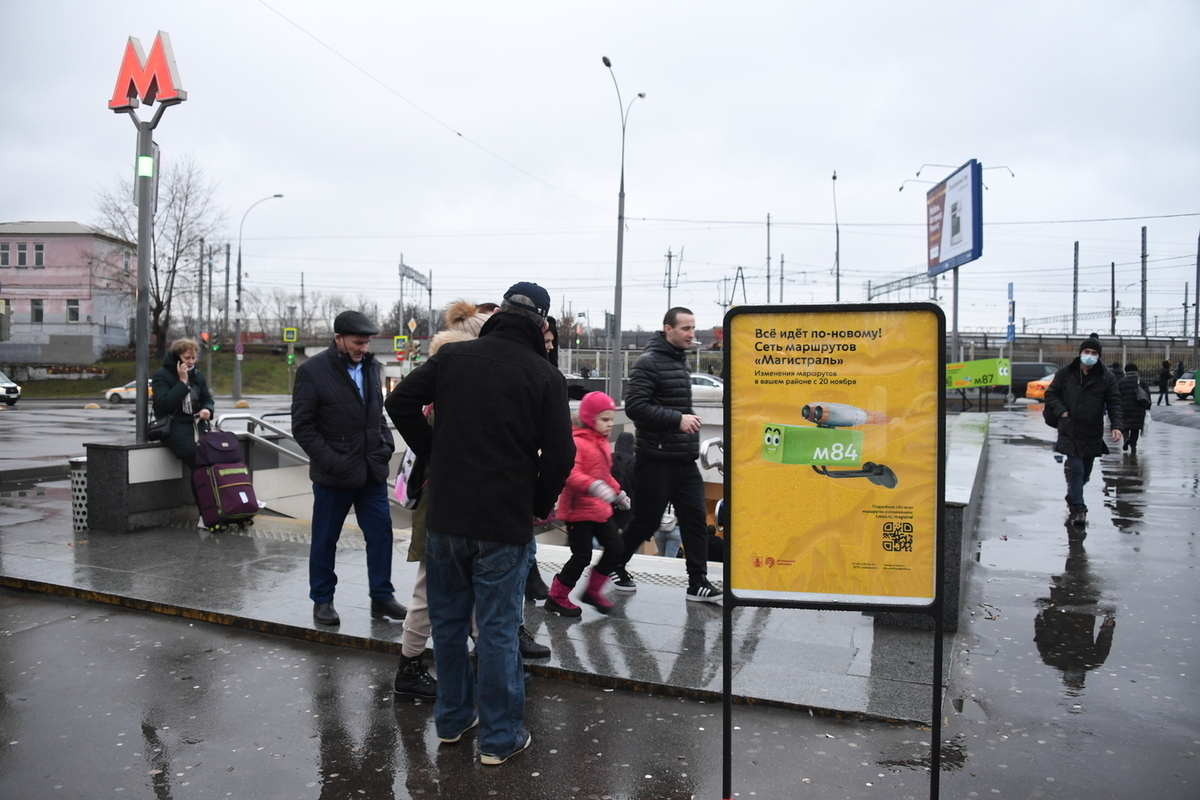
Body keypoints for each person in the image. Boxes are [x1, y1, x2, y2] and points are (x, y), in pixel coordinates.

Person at [386, 282, 574, 766]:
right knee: (495, 629)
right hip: (503, 521)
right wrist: (537, 500)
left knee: (447, 623)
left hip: (446, 515)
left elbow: (400, 402)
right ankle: (499, 738)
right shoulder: (544, 376)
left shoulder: (454, 359)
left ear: (500, 313)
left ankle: (452, 721)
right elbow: (561, 454)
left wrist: (432, 454)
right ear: (542, 325)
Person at [389, 301, 490, 700]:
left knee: (441, 587)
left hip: (441, 497)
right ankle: (412, 669)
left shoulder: (441, 374)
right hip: (446, 501)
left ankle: (418, 666)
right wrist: (436, 452)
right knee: (435, 589)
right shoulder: (457, 378)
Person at [292, 310, 406, 627]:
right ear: (338, 338)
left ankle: (381, 597)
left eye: (367, 342)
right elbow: (303, 428)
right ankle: (323, 601)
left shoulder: (372, 368)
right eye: (358, 342)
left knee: (381, 535)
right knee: (325, 539)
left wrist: (385, 447)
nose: (363, 348)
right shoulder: (312, 371)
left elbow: (377, 416)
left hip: (370, 472)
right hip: (333, 476)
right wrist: (333, 461)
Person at [611, 307, 723, 603]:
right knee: (645, 522)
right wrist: (677, 419)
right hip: (656, 459)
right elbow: (634, 406)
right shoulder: (649, 363)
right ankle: (613, 564)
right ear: (668, 329)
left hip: (683, 458)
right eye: (685, 328)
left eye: (693, 328)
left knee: (696, 519)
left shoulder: (679, 362)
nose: (692, 334)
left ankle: (697, 582)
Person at [545, 392, 629, 617]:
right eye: (604, 419)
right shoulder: (578, 442)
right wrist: (594, 486)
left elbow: (604, 475)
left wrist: (618, 493)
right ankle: (557, 596)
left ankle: (592, 591)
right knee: (581, 556)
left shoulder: (600, 442)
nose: (610, 424)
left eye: (611, 419)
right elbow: (572, 474)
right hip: (578, 511)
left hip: (599, 509)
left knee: (616, 548)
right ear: (590, 419)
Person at [1043, 337, 1123, 527]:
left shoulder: (1106, 377)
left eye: (1094, 353)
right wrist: (1061, 410)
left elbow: (1114, 402)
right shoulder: (1066, 373)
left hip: (1091, 431)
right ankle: (1079, 509)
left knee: (1085, 473)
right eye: (1086, 352)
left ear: (1099, 356)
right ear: (1080, 353)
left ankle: (1072, 494)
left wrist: (1117, 425)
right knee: (1076, 469)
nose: (1089, 356)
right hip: (1069, 428)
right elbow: (1051, 394)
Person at [150, 338, 215, 506]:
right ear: (177, 357)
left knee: (213, 463)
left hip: (197, 426)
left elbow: (207, 398)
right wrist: (182, 382)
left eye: (194, 358)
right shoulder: (160, 376)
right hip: (175, 428)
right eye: (187, 358)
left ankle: (216, 506)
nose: (191, 362)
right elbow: (165, 404)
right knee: (199, 465)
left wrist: (207, 409)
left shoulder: (197, 375)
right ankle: (205, 509)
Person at [1117, 363, 1151, 455]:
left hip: (1125, 407)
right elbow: (1147, 394)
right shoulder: (1141, 381)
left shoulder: (1121, 381)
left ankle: (1126, 439)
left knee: (1125, 425)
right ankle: (1133, 446)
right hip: (1139, 408)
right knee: (1135, 428)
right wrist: (1148, 406)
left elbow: (1117, 395)